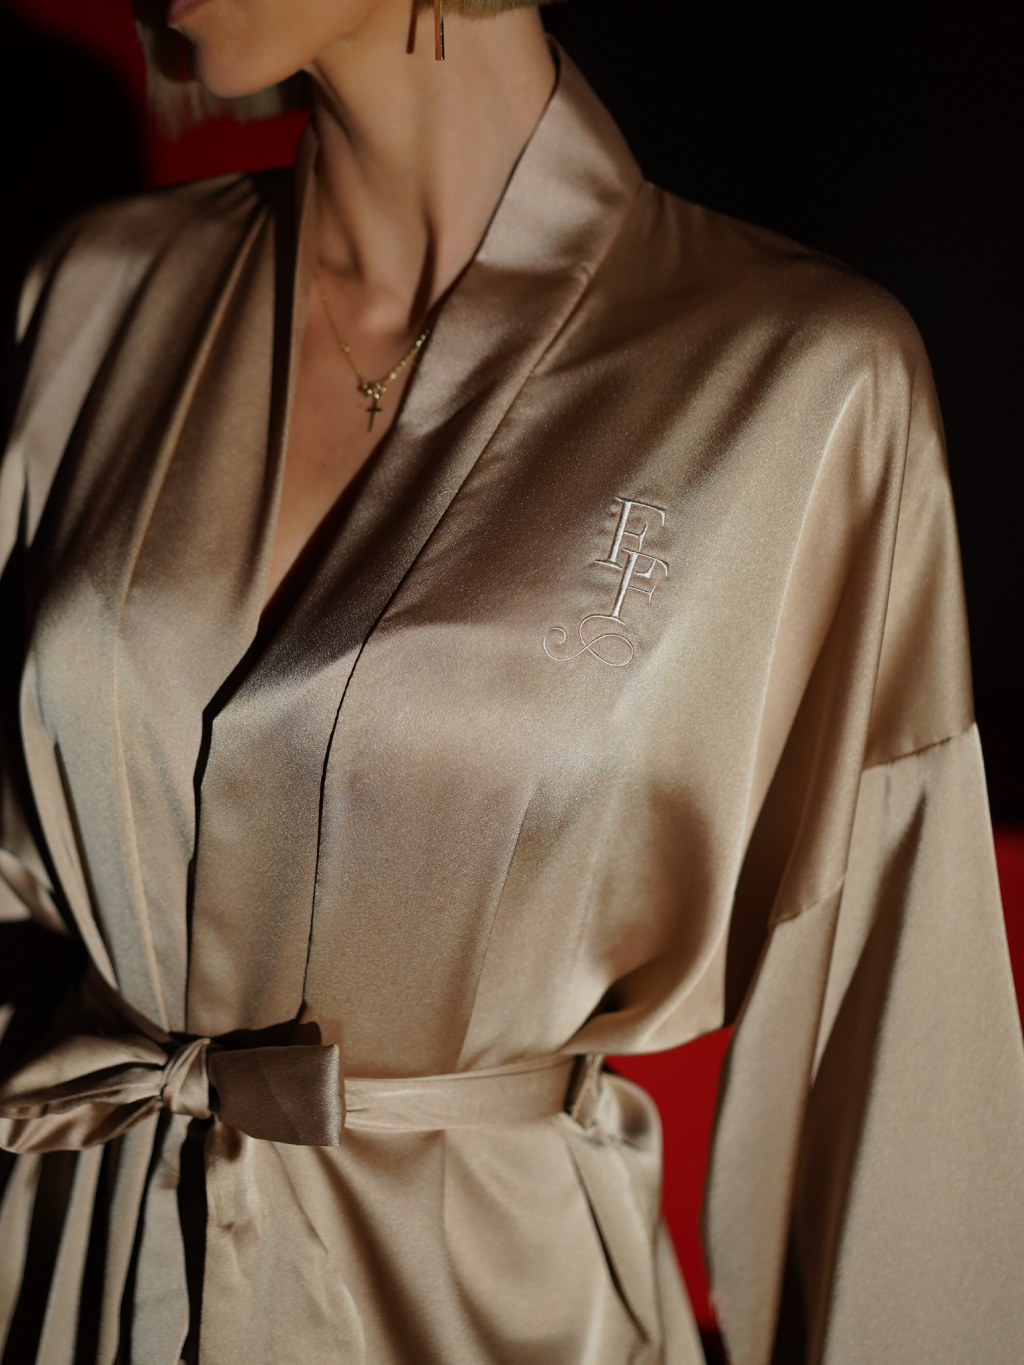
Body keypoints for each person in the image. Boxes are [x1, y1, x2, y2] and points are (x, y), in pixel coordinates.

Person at [1, 0, 1022, 1361]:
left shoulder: (799, 378)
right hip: (75, 1281)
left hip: (485, 1312)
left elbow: (894, 1036)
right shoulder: (93, 302)